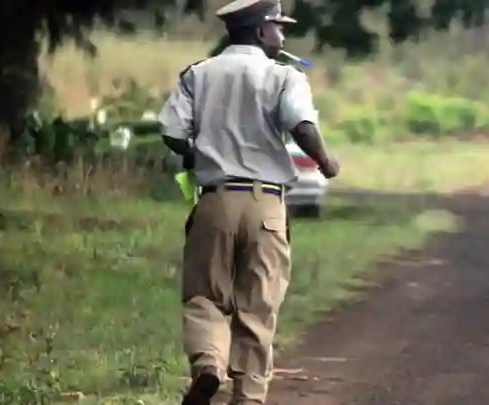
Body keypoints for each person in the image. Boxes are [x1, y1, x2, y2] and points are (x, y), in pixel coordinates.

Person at [157, 0, 340, 404]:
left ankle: (208, 363)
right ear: (260, 32)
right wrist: (327, 163)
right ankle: (249, 397)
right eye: (278, 27)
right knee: (258, 307)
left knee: (205, 295)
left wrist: (198, 152)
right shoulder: (284, 77)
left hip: (215, 201)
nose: (283, 35)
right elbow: (302, 125)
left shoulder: (198, 75)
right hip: (266, 205)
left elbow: (171, 131)